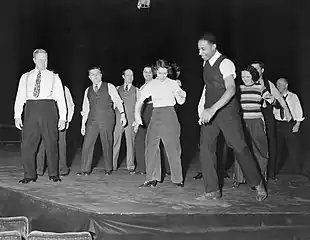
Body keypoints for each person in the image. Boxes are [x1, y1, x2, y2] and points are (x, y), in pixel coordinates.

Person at [196, 33, 267, 201]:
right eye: (199, 49)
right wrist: (202, 110)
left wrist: (212, 109)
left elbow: (231, 90)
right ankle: (212, 190)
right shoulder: (206, 63)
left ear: (214, 47)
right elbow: (207, 88)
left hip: (227, 113)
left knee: (240, 148)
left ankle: (257, 184)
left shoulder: (226, 64)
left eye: (203, 49)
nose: (200, 52)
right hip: (210, 111)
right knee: (206, 149)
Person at [14, 49, 67, 183]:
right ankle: (29, 175)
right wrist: (17, 115)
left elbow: (61, 98)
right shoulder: (26, 77)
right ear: (34, 60)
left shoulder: (54, 77)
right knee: (27, 144)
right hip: (31, 109)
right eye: (40, 59)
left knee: (51, 143)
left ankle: (54, 174)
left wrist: (63, 117)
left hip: (48, 109)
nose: (43, 62)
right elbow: (20, 96)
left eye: (45, 59)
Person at [134, 59, 186, 188]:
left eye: (165, 73)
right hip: (156, 114)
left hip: (170, 115)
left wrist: (182, 94)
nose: (163, 76)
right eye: (160, 73)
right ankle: (151, 178)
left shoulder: (173, 83)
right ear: (156, 71)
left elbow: (180, 102)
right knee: (151, 145)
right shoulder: (151, 84)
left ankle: (177, 179)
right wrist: (137, 116)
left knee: (173, 147)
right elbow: (140, 101)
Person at [78, 67, 126, 176]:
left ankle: (108, 168)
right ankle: (85, 169)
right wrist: (83, 124)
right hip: (92, 119)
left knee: (107, 142)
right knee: (87, 144)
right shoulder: (88, 90)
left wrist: (123, 115)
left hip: (107, 118)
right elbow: (85, 109)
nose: (95, 77)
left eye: (97, 74)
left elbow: (118, 101)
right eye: (92, 75)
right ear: (89, 77)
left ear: (101, 75)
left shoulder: (109, 86)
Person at [232, 65, 275, 188]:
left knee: (260, 150)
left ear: (253, 76)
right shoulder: (238, 88)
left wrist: (271, 99)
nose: (245, 79)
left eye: (248, 76)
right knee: (241, 150)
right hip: (242, 122)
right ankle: (239, 178)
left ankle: (259, 179)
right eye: (243, 76)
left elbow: (271, 99)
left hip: (256, 122)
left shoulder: (260, 87)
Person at [251, 61, 292, 180]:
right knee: (255, 144)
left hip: (268, 116)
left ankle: (271, 172)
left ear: (262, 70)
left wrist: (288, 112)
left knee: (271, 144)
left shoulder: (269, 84)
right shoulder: (248, 83)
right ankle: (255, 173)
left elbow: (279, 99)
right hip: (254, 117)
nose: (254, 72)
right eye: (252, 69)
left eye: (256, 69)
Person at [36, 85, 75, 177]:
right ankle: (39, 169)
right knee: (41, 145)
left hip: (60, 120)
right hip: (45, 120)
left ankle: (62, 169)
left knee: (61, 145)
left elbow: (70, 104)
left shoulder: (64, 88)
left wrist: (67, 120)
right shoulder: (42, 87)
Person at [274, 78, 304, 175]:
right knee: (277, 148)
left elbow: (298, 110)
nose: (278, 86)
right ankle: (275, 170)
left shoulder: (293, 97)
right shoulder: (275, 97)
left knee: (293, 147)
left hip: (290, 124)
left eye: (280, 84)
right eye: (277, 84)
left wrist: (297, 124)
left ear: (286, 85)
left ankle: (298, 170)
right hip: (278, 124)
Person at [113, 69, 139, 173]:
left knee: (130, 143)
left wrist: (136, 121)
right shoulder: (116, 88)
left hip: (131, 120)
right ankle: (112, 165)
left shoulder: (137, 90)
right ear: (123, 76)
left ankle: (130, 166)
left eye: (132, 75)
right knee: (115, 142)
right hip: (118, 120)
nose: (130, 77)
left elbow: (138, 107)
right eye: (128, 75)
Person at [133, 66, 154, 174]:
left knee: (153, 141)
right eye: (145, 72)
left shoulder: (155, 84)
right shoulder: (141, 87)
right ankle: (141, 167)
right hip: (143, 112)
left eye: (150, 72)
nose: (148, 74)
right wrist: (137, 120)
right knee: (139, 140)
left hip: (153, 111)